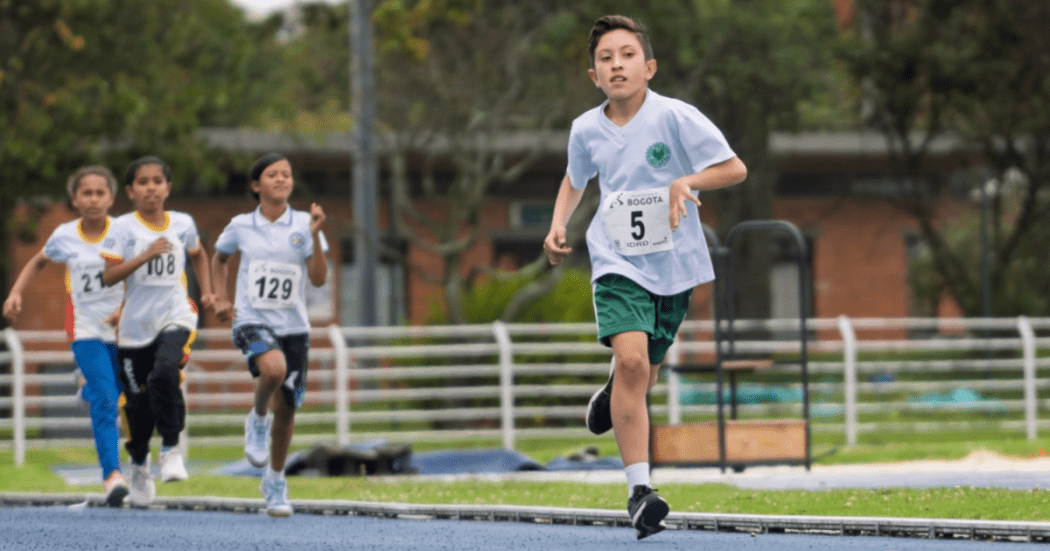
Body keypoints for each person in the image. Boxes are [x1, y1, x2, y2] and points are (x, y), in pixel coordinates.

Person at [543, 15, 748, 540]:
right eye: (606, 58)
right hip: (617, 261)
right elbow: (574, 178)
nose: (617, 65)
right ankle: (640, 491)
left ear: (648, 66)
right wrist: (557, 224)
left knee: (642, 376)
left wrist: (687, 180)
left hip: (674, 264)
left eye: (627, 55)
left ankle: (614, 390)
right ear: (594, 76)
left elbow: (735, 168)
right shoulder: (586, 129)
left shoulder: (675, 117)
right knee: (633, 361)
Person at [210, 153, 328, 518]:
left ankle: (275, 481)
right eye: (272, 174)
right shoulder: (241, 225)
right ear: (256, 185)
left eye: (287, 175)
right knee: (272, 370)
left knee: (289, 408)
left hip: (294, 328)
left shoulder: (305, 224)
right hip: (251, 322)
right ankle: (257, 415)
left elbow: (319, 279)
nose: (281, 180)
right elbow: (219, 259)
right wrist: (221, 296)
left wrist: (316, 234)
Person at [3, 166, 129, 507]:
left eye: (99, 193)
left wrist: (127, 305)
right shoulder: (64, 235)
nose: (93, 199)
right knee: (105, 400)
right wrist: (16, 293)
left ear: (111, 198)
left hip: (123, 329)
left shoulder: (125, 232)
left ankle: (86, 385)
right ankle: (112, 475)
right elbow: (37, 262)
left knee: (119, 395)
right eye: (85, 193)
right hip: (85, 329)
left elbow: (140, 273)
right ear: (75, 200)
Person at [101, 156, 215, 507]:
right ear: (131, 190)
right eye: (143, 182)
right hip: (135, 327)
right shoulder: (122, 227)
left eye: (157, 181)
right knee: (137, 406)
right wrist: (146, 255)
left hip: (175, 315)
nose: (151, 187)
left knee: (166, 373)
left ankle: (170, 449)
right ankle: (138, 463)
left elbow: (198, 254)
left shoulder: (183, 223)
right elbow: (108, 276)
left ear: (167, 187)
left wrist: (207, 290)